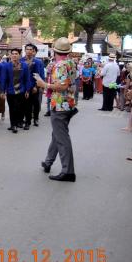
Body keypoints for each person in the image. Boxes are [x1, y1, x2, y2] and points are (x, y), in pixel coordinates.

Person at [36, 37, 77, 182]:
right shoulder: (70, 62)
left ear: (54, 50)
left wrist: (43, 84)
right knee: (57, 135)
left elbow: (62, 86)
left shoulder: (60, 65)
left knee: (61, 138)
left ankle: (68, 171)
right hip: (69, 103)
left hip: (60, 104)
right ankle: (48, 162)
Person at [1, 49, 30, 134]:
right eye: (12, 54)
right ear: (10, 55)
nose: (14, 55)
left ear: (19, 55)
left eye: (16, 54)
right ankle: (13, 125)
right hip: (10, 91)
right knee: (12, 108)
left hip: (21, 90)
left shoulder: (24, 65)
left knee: (18, 108)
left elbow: (27, 79)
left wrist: (27, 90)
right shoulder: (6, 66)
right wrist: (2, 91)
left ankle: (17, 122)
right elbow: (3, 79)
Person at [21, 43, 45, 129]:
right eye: (27, 49)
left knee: (36, 103)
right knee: (26, 104)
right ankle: (27, 122)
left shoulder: (38, 62)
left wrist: (36, 86)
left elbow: (39, 75)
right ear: (25, 50)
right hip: (24, 86)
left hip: (35, 86)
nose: (29, 51)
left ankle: (36, 118)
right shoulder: (21, 60)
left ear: (33, 51)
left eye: (31, 50)